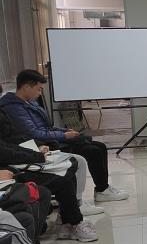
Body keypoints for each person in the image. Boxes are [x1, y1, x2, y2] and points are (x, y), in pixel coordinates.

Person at [0, 70, 128, 203]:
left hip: (48, 140)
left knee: (99, 146)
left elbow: (46, 126)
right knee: (92, 151)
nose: (40, 93)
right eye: (38, 89)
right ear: (26, 87)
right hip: (42, 144)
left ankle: (103, 189)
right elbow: (33, 133)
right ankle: (91, 195)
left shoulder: (29, 102)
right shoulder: (13, 108)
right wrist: (64, 136)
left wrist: (64, 131)